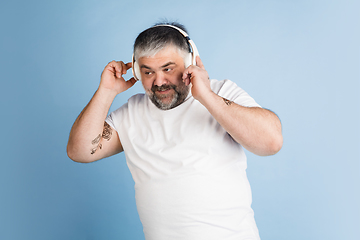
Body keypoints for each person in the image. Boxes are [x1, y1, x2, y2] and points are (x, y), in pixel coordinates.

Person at [67, 22, 283, 240]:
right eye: (148, 72)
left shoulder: (221, 93)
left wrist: (206, 96)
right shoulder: (131, 113)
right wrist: (106, 91)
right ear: (136, 71)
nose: (159, 81)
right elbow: (80, 151)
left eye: (167, 69)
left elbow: (271, 142)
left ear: (190, 62)